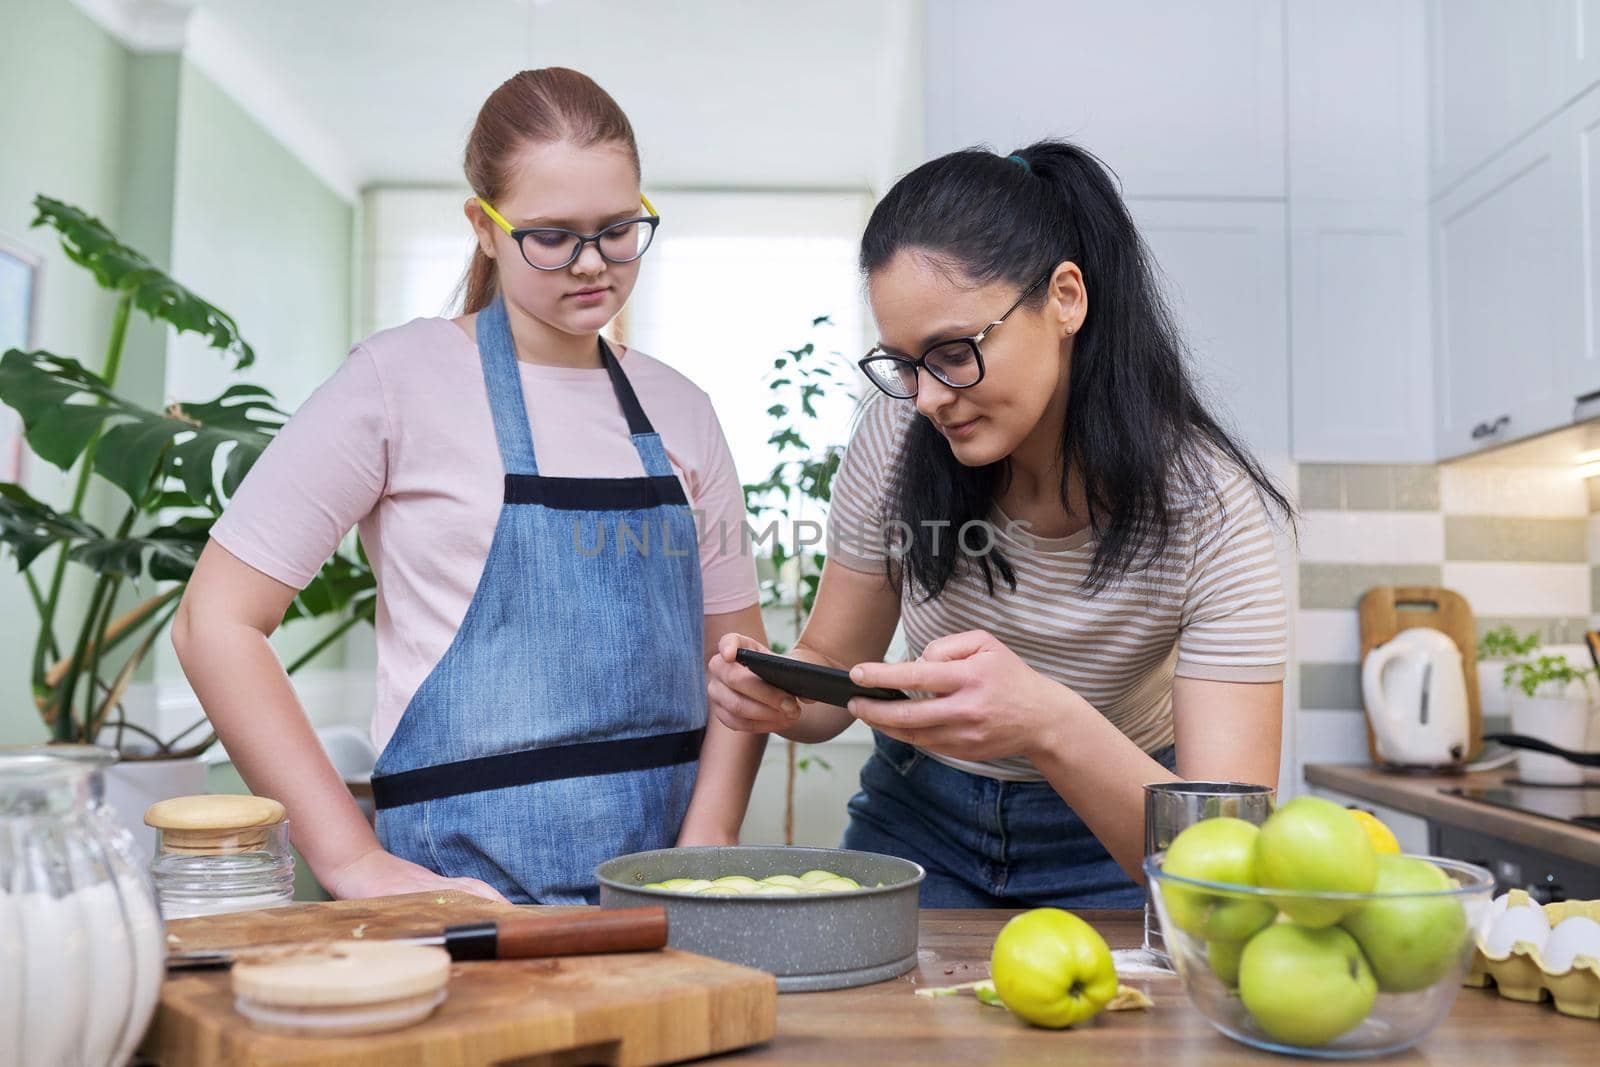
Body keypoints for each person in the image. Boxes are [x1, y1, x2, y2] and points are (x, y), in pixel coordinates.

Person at [173, 68, 766, 904]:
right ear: (483, 228)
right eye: (551, 235)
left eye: (618, 229)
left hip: (666, 899)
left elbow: (737, 663)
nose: (592, 264)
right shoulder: (396, 380)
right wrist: (351, 860)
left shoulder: (683, 409)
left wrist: (710, 842)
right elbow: (213, 621)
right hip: (458, 903)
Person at [706, 141, 1290, 908]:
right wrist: (779, 693)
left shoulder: (1209, 508)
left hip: (1115, 838)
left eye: (953, 352)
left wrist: (1046, 721)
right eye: (905, 363)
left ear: (1066, 299)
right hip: (917, 820)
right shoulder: (895, 440)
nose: (925, 398)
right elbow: (831, 676)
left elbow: (1228, 862)